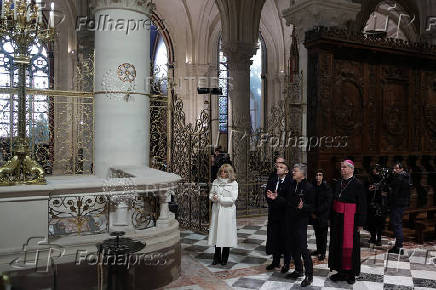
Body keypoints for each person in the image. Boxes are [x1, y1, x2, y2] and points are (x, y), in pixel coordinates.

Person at [328, 160, 366, 285]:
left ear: (351, 169)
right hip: (338, 219)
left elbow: (362, 204)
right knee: (338, 244)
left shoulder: (358, 184)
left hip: (351, 219)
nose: (342, 169)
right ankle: (340, 271)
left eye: (344, 167)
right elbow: (334, 200)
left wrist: (360, 222)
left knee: (350, 246)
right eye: (341, 167)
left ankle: (350, 274)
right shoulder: (338, 182)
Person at [283, 163, 314, 287]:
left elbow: (313, 206)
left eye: (295, 171)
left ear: (302, 173)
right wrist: (276, 198)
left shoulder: (309, 187)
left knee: (302, 248)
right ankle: (298, 270)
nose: (293, 173)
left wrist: (304, 206)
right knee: (293, 246)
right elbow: (287, 201)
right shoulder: (292, 185)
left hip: (301, 221)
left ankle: (309, 275)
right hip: (290, 219)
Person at [208, 163, 238, 266]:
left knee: (226, 235)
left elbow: (233, 199)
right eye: (221, 171)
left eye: (225, 171)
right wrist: (213, 197)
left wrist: (220, 198)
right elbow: (211, 194)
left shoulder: (234, 183)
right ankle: (216, 257)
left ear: (229, 173)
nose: (222, 173)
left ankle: (225, 258)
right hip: (217, 211)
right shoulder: (216, 181)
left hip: (227, 212)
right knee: (217, 234)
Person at [265, 161, 292, 272]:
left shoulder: (290, 182)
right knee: (274, 238)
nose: (278, 168)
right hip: (273, 214)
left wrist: (276, 199)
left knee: (285, 240)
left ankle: (286, 264)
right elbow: (267, 194)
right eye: (278, 167)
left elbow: (289, 200)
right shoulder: (273, 180)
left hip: (284, 216)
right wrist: (271, 199)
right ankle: (275, 262)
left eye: (281, 167)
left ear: (286, 171)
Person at [388, 162, 410, 254]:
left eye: (397, 168)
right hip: (402, 203)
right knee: (397, 223)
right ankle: (398, 245)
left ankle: (399, 247)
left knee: (396, 224)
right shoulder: (406, 176)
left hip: (397, 204)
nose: (394, 170)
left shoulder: (400, 178)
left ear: (402, 169)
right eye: (394, 168)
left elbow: (395, 192)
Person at [310, 169, 332, 261]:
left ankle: (322, 253)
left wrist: (317, 212)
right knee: (317, 234)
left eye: (320, 175)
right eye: (317, 175)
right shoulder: (313, 186)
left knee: (323, 236)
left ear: (323, 177)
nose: (318, 177)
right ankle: (318, 250)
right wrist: (312, 212)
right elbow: (310, 200)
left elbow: (327, 203)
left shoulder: (327, 187)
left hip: (323, 215)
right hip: (314, 215)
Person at [367, 167, 387, 246]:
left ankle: (378, 239)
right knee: (372, 222)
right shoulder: (370, 179)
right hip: (372, 203)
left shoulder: (383, 181)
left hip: (380, 204)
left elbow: (385, 192)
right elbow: (367, 189)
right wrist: (370, 189)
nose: (375, 171)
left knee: (379, 223)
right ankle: (373, 238)